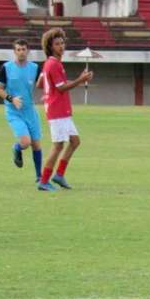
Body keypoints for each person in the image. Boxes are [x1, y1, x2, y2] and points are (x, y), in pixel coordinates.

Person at [37, 28, 93, 191]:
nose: (61, 46)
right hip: (57, 110)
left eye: (62, 43)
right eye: (57, 44)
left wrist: (48, 92)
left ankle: (59, 175)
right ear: (50, 46)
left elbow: (41, 84)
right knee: (58, 146)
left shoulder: (51, 63)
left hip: (61, 110)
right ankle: (44, 181)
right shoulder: (53, 64)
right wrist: (80, 80)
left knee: (75, 141)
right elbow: (61, 88)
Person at [0, 39, 44, 182]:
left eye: (23, 49)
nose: (21, 52)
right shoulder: (6, 67)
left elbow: (43, 83)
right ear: (14, 51)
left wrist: (47, 93)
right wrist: (12, 99)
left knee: (36, 144)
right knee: (25, 142)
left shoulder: (35, 68)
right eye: (18, 49)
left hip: (30, 110)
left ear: (28, 51)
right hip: (13, 111)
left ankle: (39, 177)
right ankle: (17, 148)